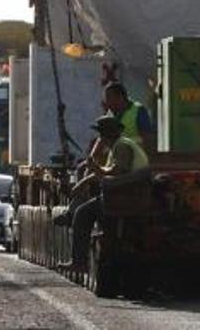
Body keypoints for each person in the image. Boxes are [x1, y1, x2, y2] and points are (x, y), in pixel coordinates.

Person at [56, 116, 149, 272]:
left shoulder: (121, 147)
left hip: (128, 195)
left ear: (105, 135)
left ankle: (79, 262)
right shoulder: (119, 146)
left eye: (100, 135)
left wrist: (94, 171)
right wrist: (85, 181)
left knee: (82, 214)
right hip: (127, 193)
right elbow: (107, 172)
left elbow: (118, 172)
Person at [102, 81, 156, 154]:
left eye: (109, 98)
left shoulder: (139, 111)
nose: (107, 103)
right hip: (116, 160)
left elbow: (148, 140)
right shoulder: (110, 114)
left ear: (120, 97)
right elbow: (102, 140)